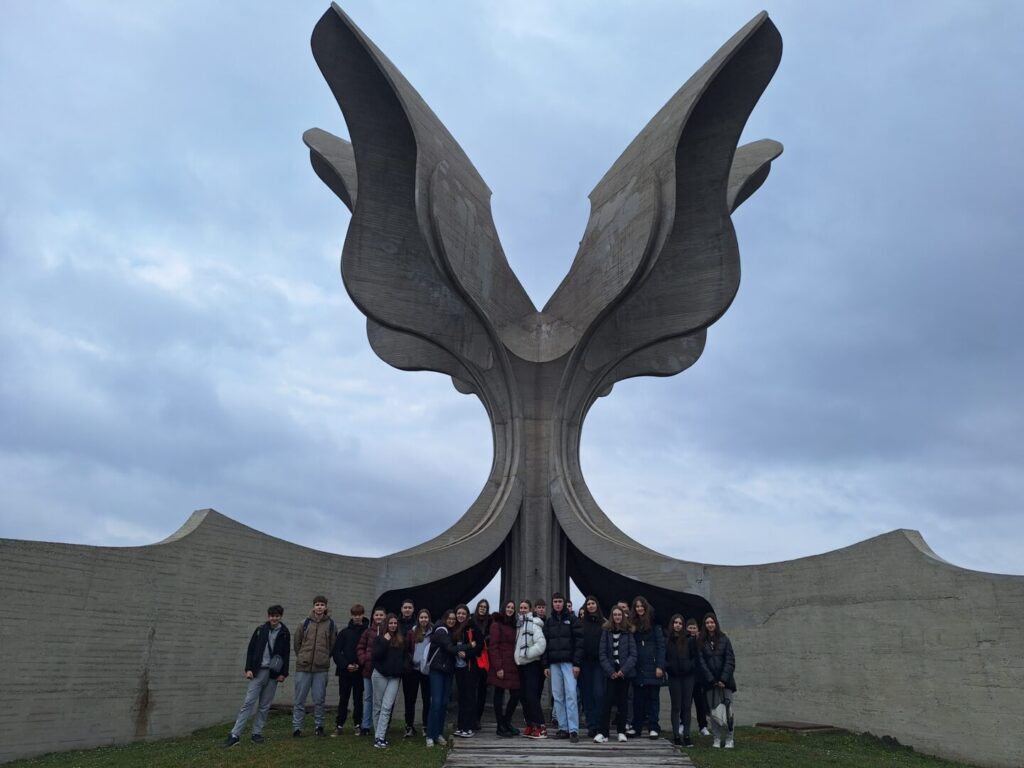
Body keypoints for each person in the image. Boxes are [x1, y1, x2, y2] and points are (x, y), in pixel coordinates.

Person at [224, 605, 290, 747]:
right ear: (268, 616)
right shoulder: (260, 630)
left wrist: (283, 673)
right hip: (258, 671)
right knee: (248, 703)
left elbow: (286, 654)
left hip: (273, 674)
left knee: (264, 705)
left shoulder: (284, 632)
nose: (274, 618)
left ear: (280, 616)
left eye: (277, 616)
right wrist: (248, 669)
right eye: (272, 616)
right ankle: (235, 734)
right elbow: (251, 650)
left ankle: (256, 733)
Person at [292, 596, 337, 737]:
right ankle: (297, 728)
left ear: (325, 607)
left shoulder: (331, 625)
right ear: (313, 607)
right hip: (303, 667)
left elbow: (332, 645)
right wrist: (303, 657)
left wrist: (323, 658)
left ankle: (319, 726)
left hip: (321, 668)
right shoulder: (304, 623)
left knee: (319, 699)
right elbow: (297, 643)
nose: (319, 607)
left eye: (322, 604)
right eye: (317, 604)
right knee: (299, 700)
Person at [426, 609, 470, 747]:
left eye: (453, 619)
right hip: (437, 670)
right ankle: (430, 735)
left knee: (444, 703)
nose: (451, 621)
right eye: (449, 618)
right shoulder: (441, 630)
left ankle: (438, 733)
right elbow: (450, 648)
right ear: (444, 618)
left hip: (448, 671)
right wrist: (470, 645)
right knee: (436, 703)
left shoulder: (453, 632)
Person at [543, 592, 583, 742]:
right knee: (558, 696)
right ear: (552, 603)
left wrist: (577, 663)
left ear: (564, 603)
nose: (558, 604)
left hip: (569, 663)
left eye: (560, 601)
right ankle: (563, 728)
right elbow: (545, 644)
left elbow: (579, 642)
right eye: (555, 601)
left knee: (571, 694)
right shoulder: (549, 622)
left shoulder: (572, 619)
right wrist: (545, 665)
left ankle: (573, 730)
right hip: (554, 664)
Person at [594, 604, 636, 743]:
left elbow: (633, 654)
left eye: (619, 614)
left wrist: (623, 670)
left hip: (624, 672)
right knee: (607, 702)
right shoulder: (606, 631)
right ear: (612, 616)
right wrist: (611, 671)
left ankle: (621, 731)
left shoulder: (628, 632)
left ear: (623, 616)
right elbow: (602, 654)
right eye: (615, 614)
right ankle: (603, 733)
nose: (617, 617)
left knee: (623, 702)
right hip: (610, 672)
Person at [699, 612, 736, 749]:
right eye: (707, 623)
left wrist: (722, 679)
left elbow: (730, 660)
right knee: (714, 711)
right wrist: (712, 679)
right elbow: (701, 662)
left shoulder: (724, 639)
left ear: (716, 623)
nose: (710, 625)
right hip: (710, 683)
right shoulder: (701, 641)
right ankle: (716, 738)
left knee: (728, 711)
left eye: (712, 622)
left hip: (725, 683)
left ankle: (729, 739)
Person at [371, 613, 408, 748]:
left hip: (394, 677)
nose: (393, 625)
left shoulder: (401, 639)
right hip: (380, 675)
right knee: (378, 706)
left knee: (387, 706)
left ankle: (380, 736)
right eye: (391, 623)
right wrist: (385, 642)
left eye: (395, 623)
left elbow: (404, 657)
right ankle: (378, 737)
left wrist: (402, 668)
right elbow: (376, 655)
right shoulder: (380, 639)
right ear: (387, 624)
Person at [630, 596, 665, 739]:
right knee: (638, 700)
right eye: (637, 606)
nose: (639, 608)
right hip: (638, 667)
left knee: (653, 699)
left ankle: (653, 727)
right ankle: (636, 727)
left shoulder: (655, 625)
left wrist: (660, 666)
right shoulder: (632, 625)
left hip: (653, 667)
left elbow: (661, 647)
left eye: (641, 606)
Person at [332, 604, 368, 735]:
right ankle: (339, 724)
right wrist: (346, 665)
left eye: (359, 614)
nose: (357, 617)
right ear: (351, 616)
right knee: (343, 698)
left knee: (358, 699)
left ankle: (358, 724)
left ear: (363, 615)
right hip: (345, 671)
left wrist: (359, 664)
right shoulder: (344, 632)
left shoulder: (367, 632)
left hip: (360, 671)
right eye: (354, 615)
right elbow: (336, 651)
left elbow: (368, 650)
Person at [514, 599, 547, 738]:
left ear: (530, 609)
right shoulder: (519, 624)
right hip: (521, 665)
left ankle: (540, 726)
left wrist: (527, 654)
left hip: (532, 664)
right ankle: (530, 724)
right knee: (523, 696)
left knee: (531, 696)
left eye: (525, 608)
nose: (522, 610)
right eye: (521, 607)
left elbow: (541, 644)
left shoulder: (534, 624)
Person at [488, 600, 521, 737]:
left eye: (512, 607)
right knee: (499, 693)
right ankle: (500, 726)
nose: (510, 609)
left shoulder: (513, 625)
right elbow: (493, 647)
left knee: (516, 694)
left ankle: (506, 721)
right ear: (503, 608)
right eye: (508, 607)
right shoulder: (496, 625)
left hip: (512, 664)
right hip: (501, 664)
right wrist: (498, 667)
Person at [665, 613, 698, 747]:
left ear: (683, 625)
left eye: (680, 623)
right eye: (675, 623)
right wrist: (670, 668)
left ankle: (687, 735)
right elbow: (665, 658)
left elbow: (695, 657)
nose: (677, 625)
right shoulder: (667, 640)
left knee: (686, 706)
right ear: (672, 624)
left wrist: (690, 667)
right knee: (676, 706)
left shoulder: (689, 640)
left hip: (688, 677)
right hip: (674, 677)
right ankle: (676, 735)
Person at [578, 595, 606, 738]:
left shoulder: (604, 623)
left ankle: (600, 723)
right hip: (585, 663)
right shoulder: (581, 624)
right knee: (587, 695)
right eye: (588, 604)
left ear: (597, 605)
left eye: (592, 603)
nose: (590, 606)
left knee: (599, 694)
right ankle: (592, 725)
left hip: (599, 664)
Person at [356, 606, 386, 736]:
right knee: (368, 698)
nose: (379, 617)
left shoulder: (388, 632)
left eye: (381, 615)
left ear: (385, 617)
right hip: (368, 671)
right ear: (373, 617)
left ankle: (380, 725)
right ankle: (366, 725)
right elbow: (360, 647)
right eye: (376, 615)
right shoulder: (368, 632)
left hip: (383, 671)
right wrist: (364, 660)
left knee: (380, 700)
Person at [452, 604, 481, 738]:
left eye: (463, 613)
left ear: (468, 615)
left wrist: (467, 654)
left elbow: (479, 646)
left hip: (470, 667)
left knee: (469, 697)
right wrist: (466, 647)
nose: (460, 616)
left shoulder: (473, 627)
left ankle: (469, 727)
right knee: (461, 697)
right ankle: (461, 726)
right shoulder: (454, 627)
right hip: (459, 668)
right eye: (458, 613)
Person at [404, 608, 432, 737]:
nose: (424, 620)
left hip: (426, 671)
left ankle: (425, 725)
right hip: (413, 670)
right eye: (421, 617)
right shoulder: (412, 632)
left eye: (426, 617)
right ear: (418, 619)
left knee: (427, 699)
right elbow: (407, 649)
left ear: (429, 619)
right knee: (410, 699)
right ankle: (409, 726)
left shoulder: (433, 633)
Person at [686, 617, 711, 736]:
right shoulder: (683, 640)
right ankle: (683, 724)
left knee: (700, 703)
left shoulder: (701, 640)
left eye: (694, 628)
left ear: (697, 629)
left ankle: (703, 726)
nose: (692, 630)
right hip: (687, 676)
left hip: (699, 677)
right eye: (690, 628)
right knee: (686, 703)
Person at [472, 599, 493, 730]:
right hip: (473, 658)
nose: (482, 608)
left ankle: (477, 719)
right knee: (471, 690)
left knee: (482, 691)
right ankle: (470, 717)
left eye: (485, 607)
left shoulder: (490, 622)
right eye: (481, 606)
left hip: (485, 659)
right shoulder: (471, 620)